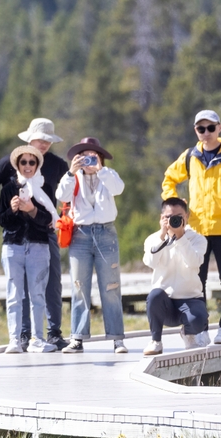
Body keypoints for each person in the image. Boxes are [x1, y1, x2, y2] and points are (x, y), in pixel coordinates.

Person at [162, 110, 221, 345]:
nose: (206, 133)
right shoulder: (189, 156)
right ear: (195, 130)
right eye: (200, 129)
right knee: (197, 281)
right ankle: (200, 328)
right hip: (198, 229)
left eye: (210, 128)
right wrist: (175, 206)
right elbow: (169, 179)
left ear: (219, 128)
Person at [0, 118, 68, 351]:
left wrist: (61, 218)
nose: (44, 144)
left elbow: (68, 193)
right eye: (40, 139)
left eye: (48, 140)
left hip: (45, 230)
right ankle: (24, 335)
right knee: (20, 287)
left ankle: (53, 333)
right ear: (29, 138)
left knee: (51, 283)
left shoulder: (57, 165)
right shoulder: (11, 162)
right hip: (16, 234)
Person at [55, 137, 127, 354]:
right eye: (84, 156)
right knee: (79, 287)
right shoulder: (73, 177)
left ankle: (117, 339)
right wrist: (71, 172)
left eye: (93, 156)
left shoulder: (108, 174)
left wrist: (101, 170)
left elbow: (119, 189)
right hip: (81, 234)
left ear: (100, 157)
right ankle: (77, 338)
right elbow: (61, 195)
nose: (88, 161)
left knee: (111, 287)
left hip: (106, 233)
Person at [0, 146, 57, 353]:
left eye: (32, 162)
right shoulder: (8, 189)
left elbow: (48, 221)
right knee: (14, 294)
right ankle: (14, 339)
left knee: (37, 294)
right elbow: (2, 221)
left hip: (39, 246)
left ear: (38, 165)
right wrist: (13, 209)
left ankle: (37, 339)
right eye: (24, 162)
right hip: (13, 247)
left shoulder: (45, 189)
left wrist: (31, 210)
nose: (28, 166)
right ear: (17, 165)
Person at [142, 198, 210, 355]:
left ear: (186, 216)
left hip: (189, 300)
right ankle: (156, 341)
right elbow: (150, 262)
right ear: (161, 218)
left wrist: (180, 237)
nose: (174, 220)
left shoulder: (198, 239)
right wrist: (162, 236)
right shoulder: (153, 239)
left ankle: (189, 334)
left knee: (199, 319)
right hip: (165, 303)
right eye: (169, 217)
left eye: (179, 216)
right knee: (154, 295)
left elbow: (194, 263)